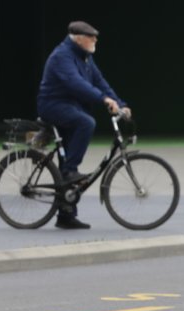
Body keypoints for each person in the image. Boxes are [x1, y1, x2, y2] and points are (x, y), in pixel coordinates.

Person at [37, 21, 131, 231]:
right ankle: (70, 170)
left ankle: (66, 215)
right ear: (78, 39)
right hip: (53, 105)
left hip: (71, 107)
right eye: (91, 37)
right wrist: (103, 99)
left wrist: (120, 103)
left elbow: (100, 82)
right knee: (86, 123)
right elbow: (75, 83)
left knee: (68, 154)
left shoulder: (86, 57)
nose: (95, 39)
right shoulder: (62, 56)